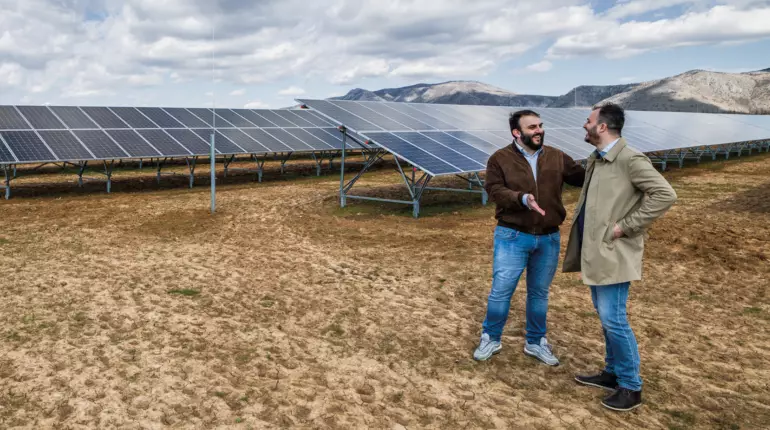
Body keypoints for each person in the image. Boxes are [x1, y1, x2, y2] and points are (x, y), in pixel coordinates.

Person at [563, 103, 677, 412]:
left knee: (614, 318)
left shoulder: (629, 159)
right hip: (596, 251)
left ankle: (631, 386)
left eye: (588, 121)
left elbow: (665, 194)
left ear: (601, 127)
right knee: (605, 317)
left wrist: (625, 227)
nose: (584, 126)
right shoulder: (597, 159)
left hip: (612, 251)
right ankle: (612, 372)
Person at [474, 109, 585, 365]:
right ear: (517, 132)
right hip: (512, 235)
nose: (539, 131)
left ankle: (536, 342)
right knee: (501, 291)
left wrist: (606, 163)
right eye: (532, 127)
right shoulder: (499, 159)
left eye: (540, 125)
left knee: (539, 293)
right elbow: (494, 190)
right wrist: (521, 198)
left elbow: (581, 177)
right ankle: (491, 337)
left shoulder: (557, 157)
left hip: (548, 237)